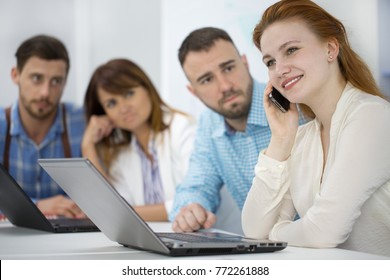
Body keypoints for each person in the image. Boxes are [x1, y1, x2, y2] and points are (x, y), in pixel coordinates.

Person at [242, 0, 390, 257]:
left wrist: (276, 233)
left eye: (291, 50)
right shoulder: (302, 138)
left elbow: (323, 231)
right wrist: (281, 140)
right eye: (269, 62)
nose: (280, 70)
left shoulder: (371, 116)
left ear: (331, 48)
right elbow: (254, 230)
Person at [169, 27, 297, 233]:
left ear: (244, 63)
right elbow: (197, 184)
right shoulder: (209, 123)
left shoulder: (291, 104)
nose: (225, 86)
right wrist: (190, 208)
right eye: (207, 80)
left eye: (228, 68)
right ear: (194, 92)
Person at [82, 58, 196, 221]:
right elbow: (108, 207)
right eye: (111, 103)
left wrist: (120, 213)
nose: (123, 108)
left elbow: (192, 203)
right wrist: (88, 146)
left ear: (147, 88)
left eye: (129, 94)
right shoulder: (122, 155)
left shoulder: (182, 128)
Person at [0, 35, 86, 218]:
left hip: (71, 242)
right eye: (36, 78)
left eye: (56, 81)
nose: (45, 92)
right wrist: (38, 206)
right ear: (15, 75)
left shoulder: (83, 122)